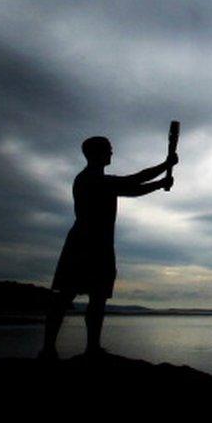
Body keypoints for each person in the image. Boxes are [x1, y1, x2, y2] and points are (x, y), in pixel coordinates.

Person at [39, 136, 178, 359]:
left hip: (100, 245)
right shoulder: (89, 179)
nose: (112, 153)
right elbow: (131, 182)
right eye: (109, 150)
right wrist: (165, 166)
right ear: (97, 153)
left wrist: (160, 183)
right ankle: (49, 349)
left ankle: (91, 348)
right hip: (84, 244)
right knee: (66, 297)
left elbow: (131, 189)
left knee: (97, 297)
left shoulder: (99, 180)